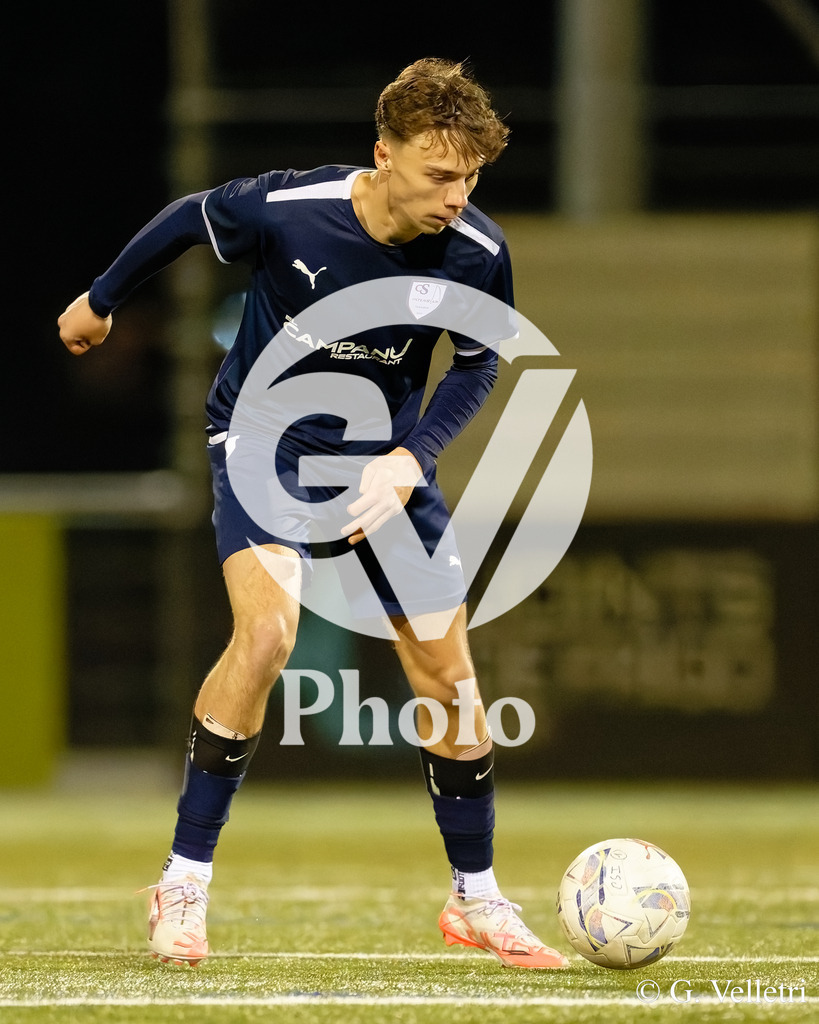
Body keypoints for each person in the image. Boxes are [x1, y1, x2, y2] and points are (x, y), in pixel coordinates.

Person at [58, 57, 569, 971]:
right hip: (264, 443)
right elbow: (188, 218)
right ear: (384, 154)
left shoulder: (476, 253)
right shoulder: (292, 208)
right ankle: (181, 883)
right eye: (439, 175)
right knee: (266, 637)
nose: (457, 196)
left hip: (385, 461)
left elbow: (480, 363)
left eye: (470, 178)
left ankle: (478, 900)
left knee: (448, 677)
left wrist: (412, 458)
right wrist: (100, 299)